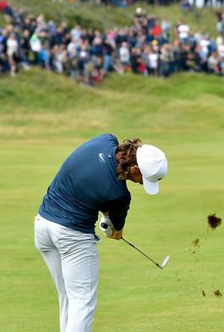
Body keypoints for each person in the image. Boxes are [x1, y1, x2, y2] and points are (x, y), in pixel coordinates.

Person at [34, 134, 168, 332]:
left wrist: (105, 216)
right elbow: (115, 232)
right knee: (82, 303)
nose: (141, 184)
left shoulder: (106, 140)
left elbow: (95, 181)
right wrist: (112, 228)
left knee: (68, 297)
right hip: (72, 237)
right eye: (144, 179)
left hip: (42, 225)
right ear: (135, 169)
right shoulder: (120, 195)